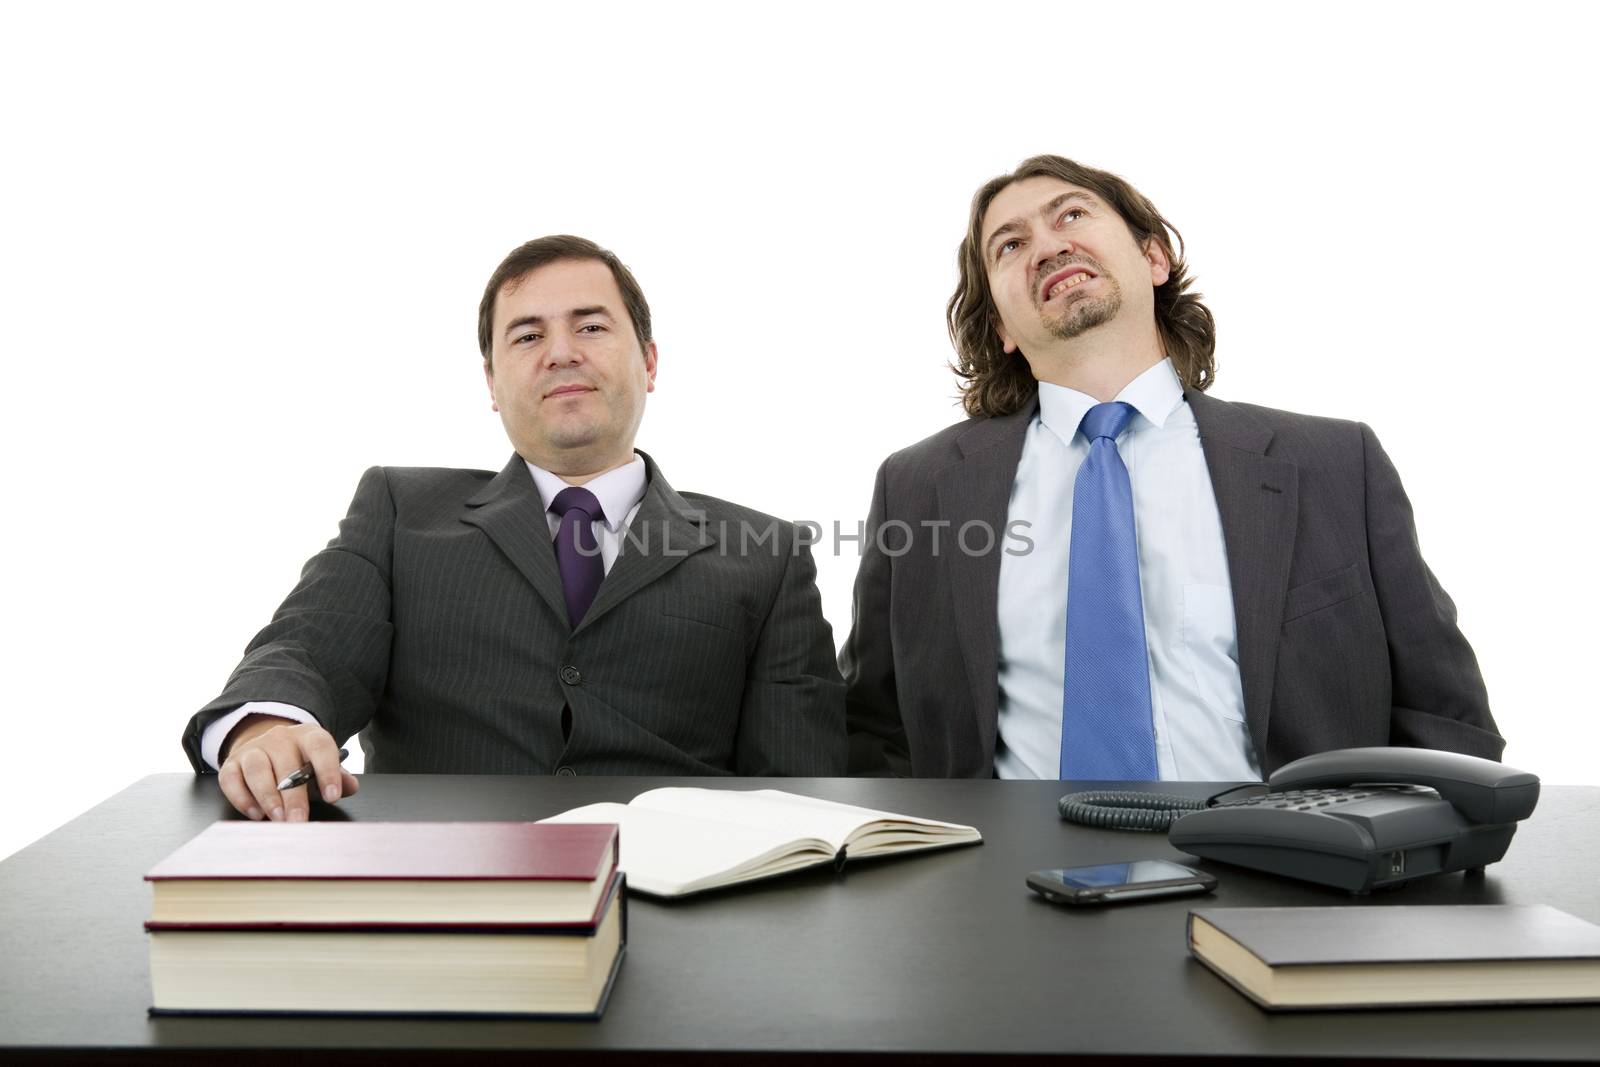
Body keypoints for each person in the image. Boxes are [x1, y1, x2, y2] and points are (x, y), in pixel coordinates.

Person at [842, 155, 1502, 780]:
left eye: (1071, 215)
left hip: (1288, 876)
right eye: (1008, 245)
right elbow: (874, 733)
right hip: (1011, 885)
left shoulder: (1335, 463)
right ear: (1002, 327)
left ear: (1154, 256)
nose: (1046, 246)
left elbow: (1446, 721)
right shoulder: (918, 488)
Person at [184, 235, 846, 820]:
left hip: (678, 916)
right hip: (445, 905)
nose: (560, 353)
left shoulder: (769, 554)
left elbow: (801, 800)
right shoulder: (398, 511)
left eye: (590, 327)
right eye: (527, 335)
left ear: (648, 361)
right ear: (493, 382)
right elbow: (306, 646)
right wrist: (266, 723)